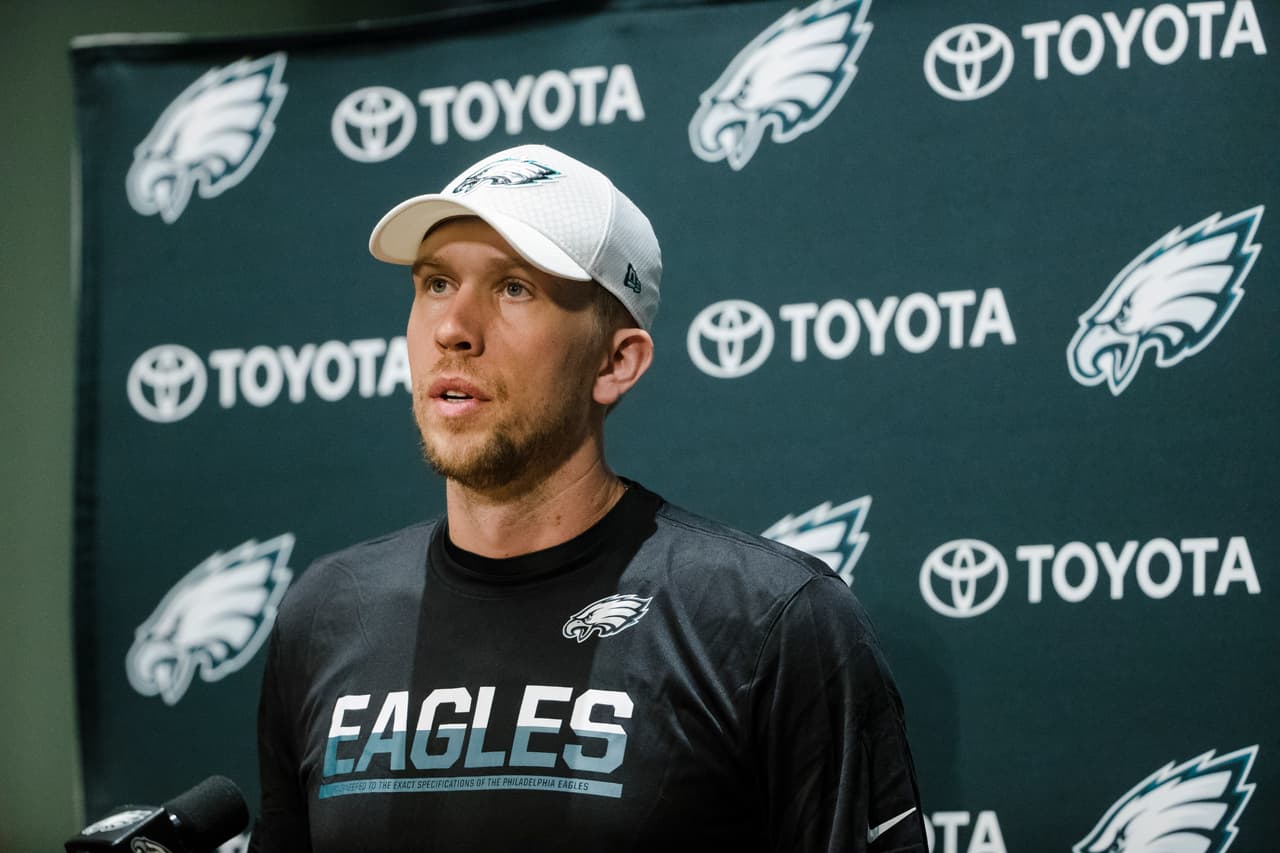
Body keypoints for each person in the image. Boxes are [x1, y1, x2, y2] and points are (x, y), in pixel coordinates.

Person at [251, 144, 927, 852]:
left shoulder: (770, 623)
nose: (453, 328)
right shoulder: (324, 615)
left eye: (514, 288)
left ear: (616, 361)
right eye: (436, 282)